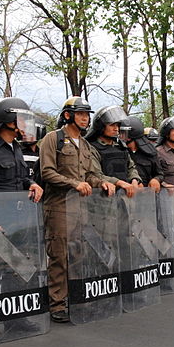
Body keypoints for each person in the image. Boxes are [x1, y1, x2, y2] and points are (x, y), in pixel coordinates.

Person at [0, 97, 45, 341]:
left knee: (17, 270)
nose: (25, 124)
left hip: (17, 221)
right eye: (21, 118)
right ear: (9, 120)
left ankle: (16, 321)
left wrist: (33, 184)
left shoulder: (15, 147)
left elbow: (22, 177)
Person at [39, 96, 114, 323]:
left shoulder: (87, 145)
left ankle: (77, 297)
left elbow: (90, 175)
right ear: (68, 115)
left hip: (82, 209)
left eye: (87, 114)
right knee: (59, 256)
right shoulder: (53, 139)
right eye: (81, 113)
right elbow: (47, 172)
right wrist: (74, 183)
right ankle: (57, 304)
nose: (85, 118)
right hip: (59, 207)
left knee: (79, 254)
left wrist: (102, 182)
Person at [85, 105, 141, 197]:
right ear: (101, 126)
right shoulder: (92, 148)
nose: (116, 129)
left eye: (118, 125)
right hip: (102, 198)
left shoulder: (121, 147)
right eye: (112, 125)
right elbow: (96, 175)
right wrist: (119, 182)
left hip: (124, 198)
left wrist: (134, 179)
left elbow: (131, 167)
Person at [122, 116, 163, 192]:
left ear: (130, 135)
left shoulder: (150, 153)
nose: (121, 136)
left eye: (123, 133)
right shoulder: (120, 151)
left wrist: (156, 180)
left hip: (146, 195)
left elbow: (160, 174)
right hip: (126, 195)